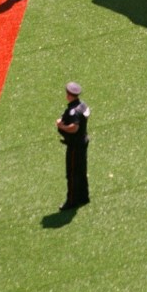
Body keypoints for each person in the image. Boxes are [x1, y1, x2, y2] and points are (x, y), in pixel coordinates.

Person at [56, 81, 90, 210]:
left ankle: (72, 201)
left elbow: (74, 127)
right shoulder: (83, 105)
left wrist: (62, 126)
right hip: (83, 141)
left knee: (72, 173)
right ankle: (83, 197)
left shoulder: (73, 111)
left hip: (75, 145)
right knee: (81, 171)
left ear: (69, 95)